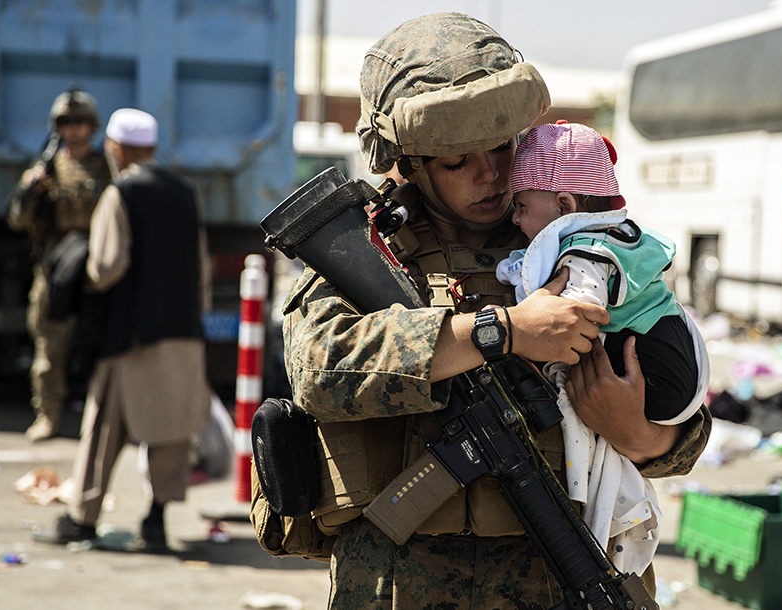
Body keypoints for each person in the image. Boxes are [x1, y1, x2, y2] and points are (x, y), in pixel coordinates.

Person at [281, 12, 712, 609]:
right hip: (399, 582)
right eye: (458, 161)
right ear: (410, 161)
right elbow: (320, 370)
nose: (494, 175)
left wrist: (636, 431)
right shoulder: (370, 250)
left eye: (503, 146)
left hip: (563, 567)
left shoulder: (574, 244)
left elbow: (684, 417)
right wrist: (501, 332)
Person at [497, 121, 710, 573]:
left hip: (658, 375)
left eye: (520, 206)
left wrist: (524, 329)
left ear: (565, 205)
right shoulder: (603, 235)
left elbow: (578, 311)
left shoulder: (587, 249)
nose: (513, 218)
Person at [33, 108, 211, 549]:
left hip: (132, 335)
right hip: (182, 332)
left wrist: (84, 278)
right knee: (171, 431)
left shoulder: (122, 192)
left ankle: (83, 518)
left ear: (119, 148)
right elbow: (202, 269)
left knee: (103, 427)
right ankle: (155, 522)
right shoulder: (185, 193)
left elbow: (107, 266)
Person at [7, 89, 112, 442]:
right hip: (57, 266)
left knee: (104, 344)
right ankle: (47, 415)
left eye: (79, 121)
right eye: (65, 122)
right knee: (48, 344)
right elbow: (18, 220)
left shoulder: (106, 168)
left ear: (92, 126)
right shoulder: (45, 169)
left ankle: (106, 420)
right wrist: (30, 191)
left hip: (96, 262)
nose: (73, 129)